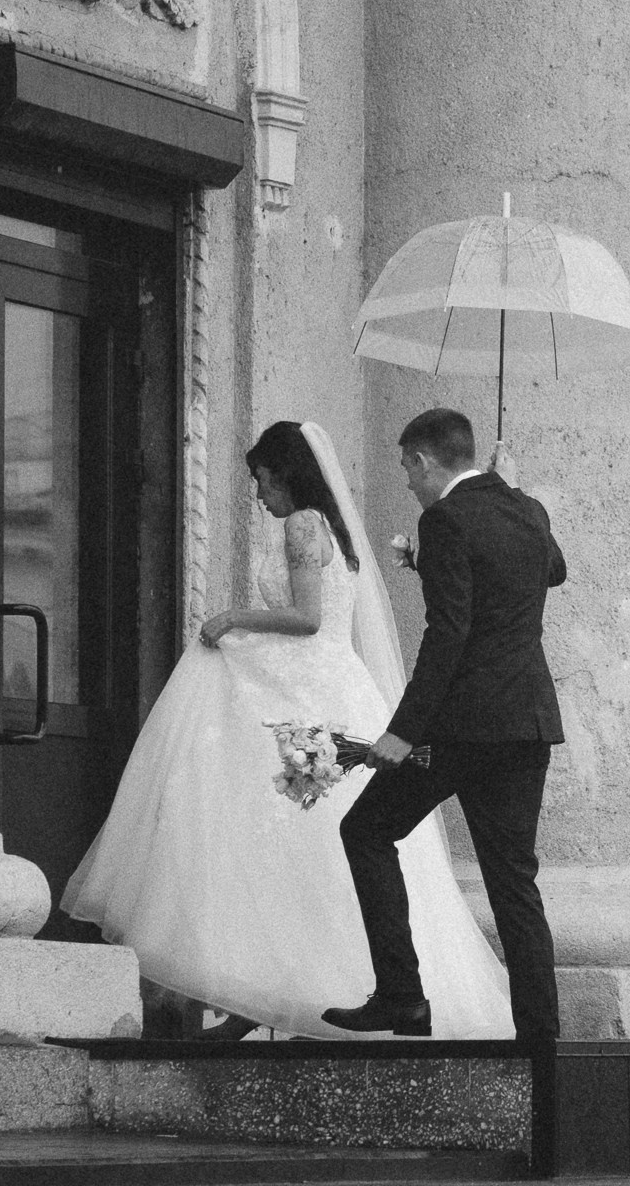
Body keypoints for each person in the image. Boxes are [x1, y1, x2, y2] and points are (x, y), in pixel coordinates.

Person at [61, 420, 513, 1041]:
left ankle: (279, 1000)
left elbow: (307, 618)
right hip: (338, 686)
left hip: (308, 695)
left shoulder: (303, 524)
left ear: (286, 474)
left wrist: (233, 618)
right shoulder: (336, 529)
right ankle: (282, 1000)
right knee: (301, 852)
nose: (259, 494)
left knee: (288, 843)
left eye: (262, 479)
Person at [327, 406, 565, 1045]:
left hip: (460, 733)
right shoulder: (526, 510)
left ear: (424, 459)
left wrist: (402, 731)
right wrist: (512, 491)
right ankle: (542, 1044)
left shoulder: (446, 519)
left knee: (366, 830)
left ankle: (402, 998)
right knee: (514, 884)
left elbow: (449, 634)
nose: (408, 482)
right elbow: (552, 569)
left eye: (408, 468)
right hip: (527, 726)